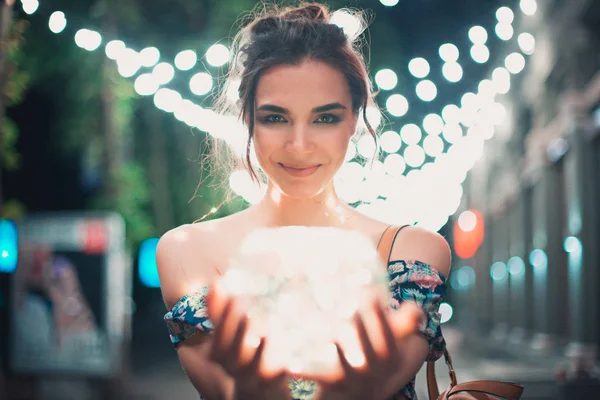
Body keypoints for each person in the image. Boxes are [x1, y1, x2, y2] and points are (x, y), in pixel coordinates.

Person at [157, 3, 451, 400]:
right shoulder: (188, 251)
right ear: (247, 120)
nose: (298, 145)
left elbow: (379, 383)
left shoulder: (414, 251)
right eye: (275, 118)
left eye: (324, 118)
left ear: (354, 120)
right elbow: (222, 386)